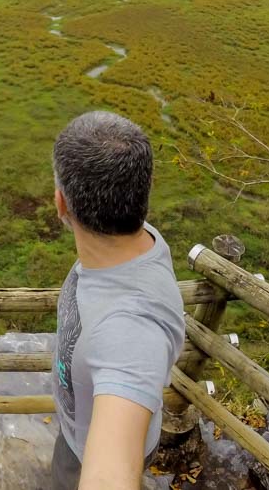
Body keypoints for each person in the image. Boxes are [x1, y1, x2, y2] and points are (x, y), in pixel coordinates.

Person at [50, 111, 186, 490]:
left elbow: (108, 476)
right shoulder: (137, 244)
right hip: (79, 429)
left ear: (61, 203)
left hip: (82, 455)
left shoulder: (132, 329)